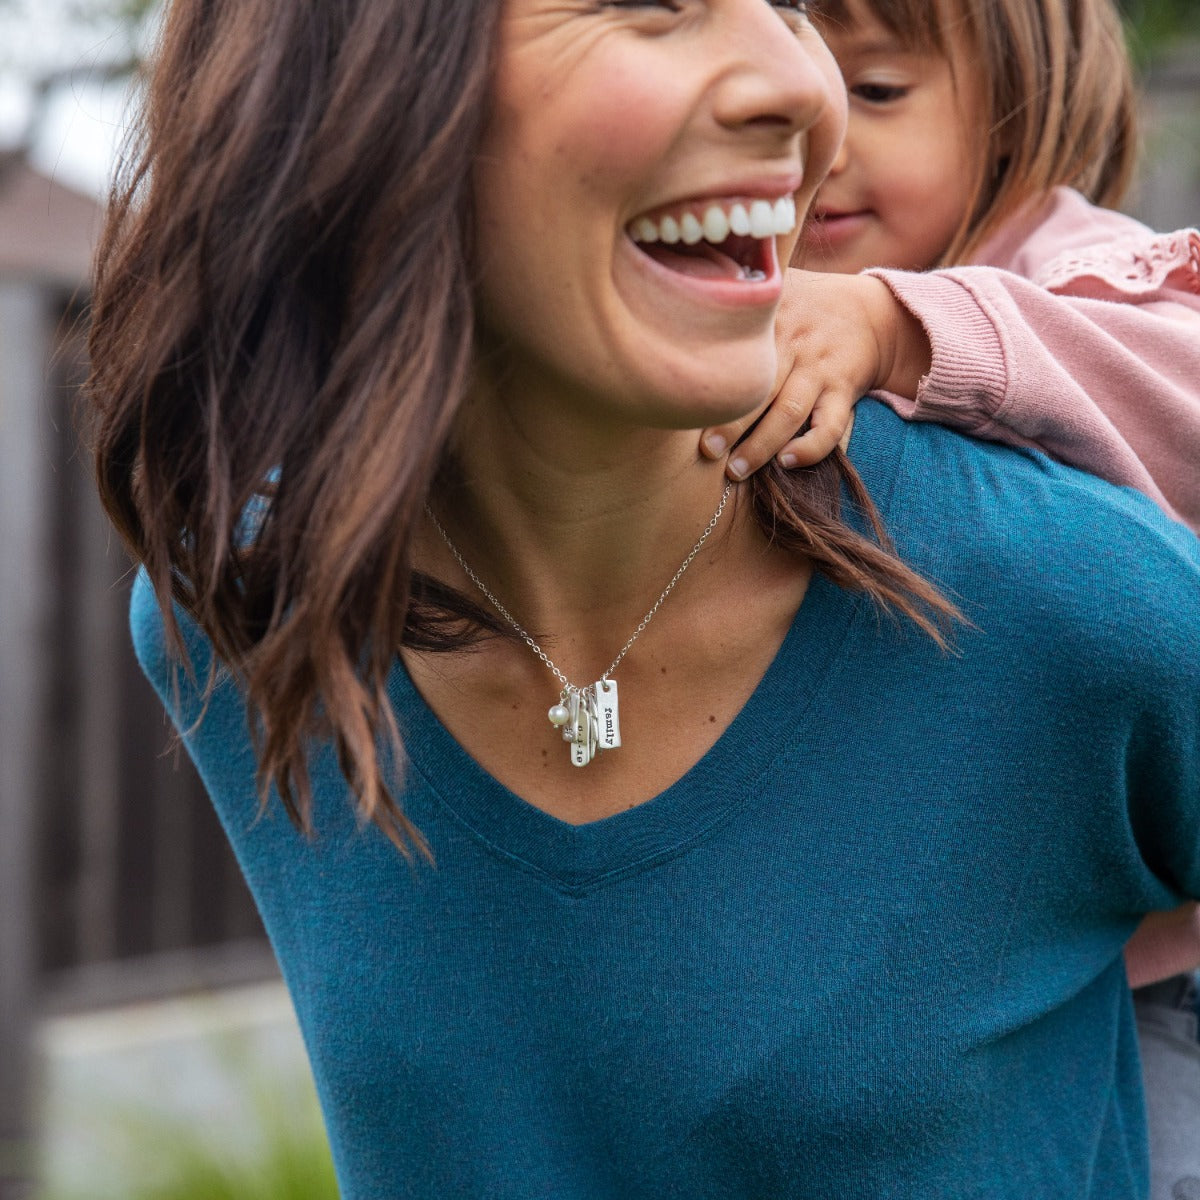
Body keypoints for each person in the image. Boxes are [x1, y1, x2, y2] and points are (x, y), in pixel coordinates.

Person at [86, 0, 1200, 1197]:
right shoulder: (238, 612)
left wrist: (906, 324)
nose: (802, 83)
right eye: (652, 2)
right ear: (345, 60)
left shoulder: (1065, 586)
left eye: (788, 13)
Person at [695, 2, 1200, 1192]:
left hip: (1153, 988)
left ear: (1025, 105)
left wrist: (904, 328)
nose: (822, 136)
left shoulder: (1070, 270)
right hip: (916, 974)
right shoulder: (741, 298)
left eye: (876, 92)